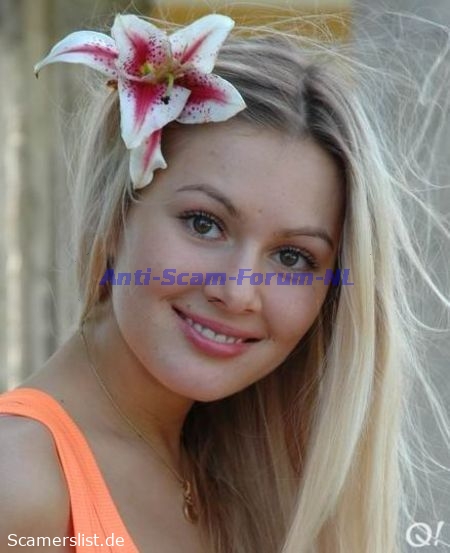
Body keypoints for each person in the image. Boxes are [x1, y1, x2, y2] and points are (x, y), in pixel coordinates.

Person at [0, 9, 449, 553]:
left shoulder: (246, 485)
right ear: (115, 217)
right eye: (204, 223)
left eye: (292, 257)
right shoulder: (19, 480)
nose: (236, 291)